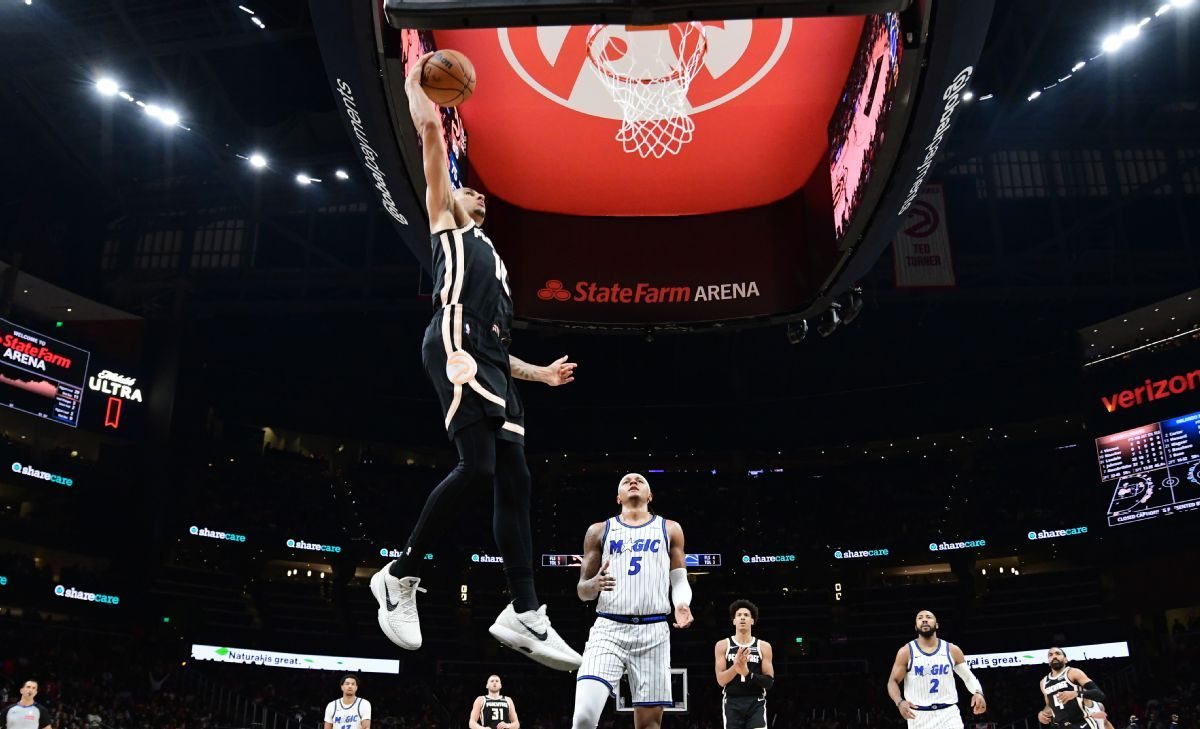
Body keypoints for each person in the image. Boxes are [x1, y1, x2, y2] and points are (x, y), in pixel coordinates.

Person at [369, 51, 581, 671]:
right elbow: (431, 133)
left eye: (478, 193)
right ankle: (399, 576)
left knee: (516, 479)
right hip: (453, 339)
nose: (474, 193)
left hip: (485, 355)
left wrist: (538, 375)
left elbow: (497, 349)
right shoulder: (447, 221)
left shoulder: (498, 267)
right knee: (480, 468)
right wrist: (416, 85)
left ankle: (525, 611)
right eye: (467, 187)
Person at [573, 473, 694, 729]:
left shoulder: (670, 528)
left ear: (650, 496)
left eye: (639, 480)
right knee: (583, 718)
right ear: (618, 498)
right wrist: (592, 585)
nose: (633, 481)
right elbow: (582, 591)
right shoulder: (599, 530)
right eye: (626, 481)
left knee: (649, 725)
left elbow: (679, 579)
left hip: (654, 631)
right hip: (608, 629)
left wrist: (682, 604)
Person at [887, 610, 986, 729]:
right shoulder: (906, 652)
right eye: (920, 618)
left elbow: (968, 677)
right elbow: (892, 681)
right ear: (915, 626)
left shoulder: (952, 650)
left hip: (949, 714)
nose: (924, 619)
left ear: (937, 624)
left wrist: (978, 692)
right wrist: (899, 702)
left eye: (928, 617)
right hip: (919, 716)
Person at [715, 599, 775, 729]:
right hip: (732, 702)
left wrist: (747, 673)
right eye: (739, 615)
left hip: (756, 701)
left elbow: (769, 682)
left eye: (746, 615)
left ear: (752, 621)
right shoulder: (722, 645)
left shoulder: (763, 646)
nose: (742, 618)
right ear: (734, 621)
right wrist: (736, 667)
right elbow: (720, 681)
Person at [1037, 647, 1106, 729]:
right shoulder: (1043, 682)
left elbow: (1099, 694)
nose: (1054, 656)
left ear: (1065, 659)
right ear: (1048, 661)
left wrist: (1076, 693)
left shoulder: (1073, 673)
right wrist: (1043, 713)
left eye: (1058, 653)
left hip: (1082, 723)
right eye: (1050, 655)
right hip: (1061, 726)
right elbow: (1050, 705)